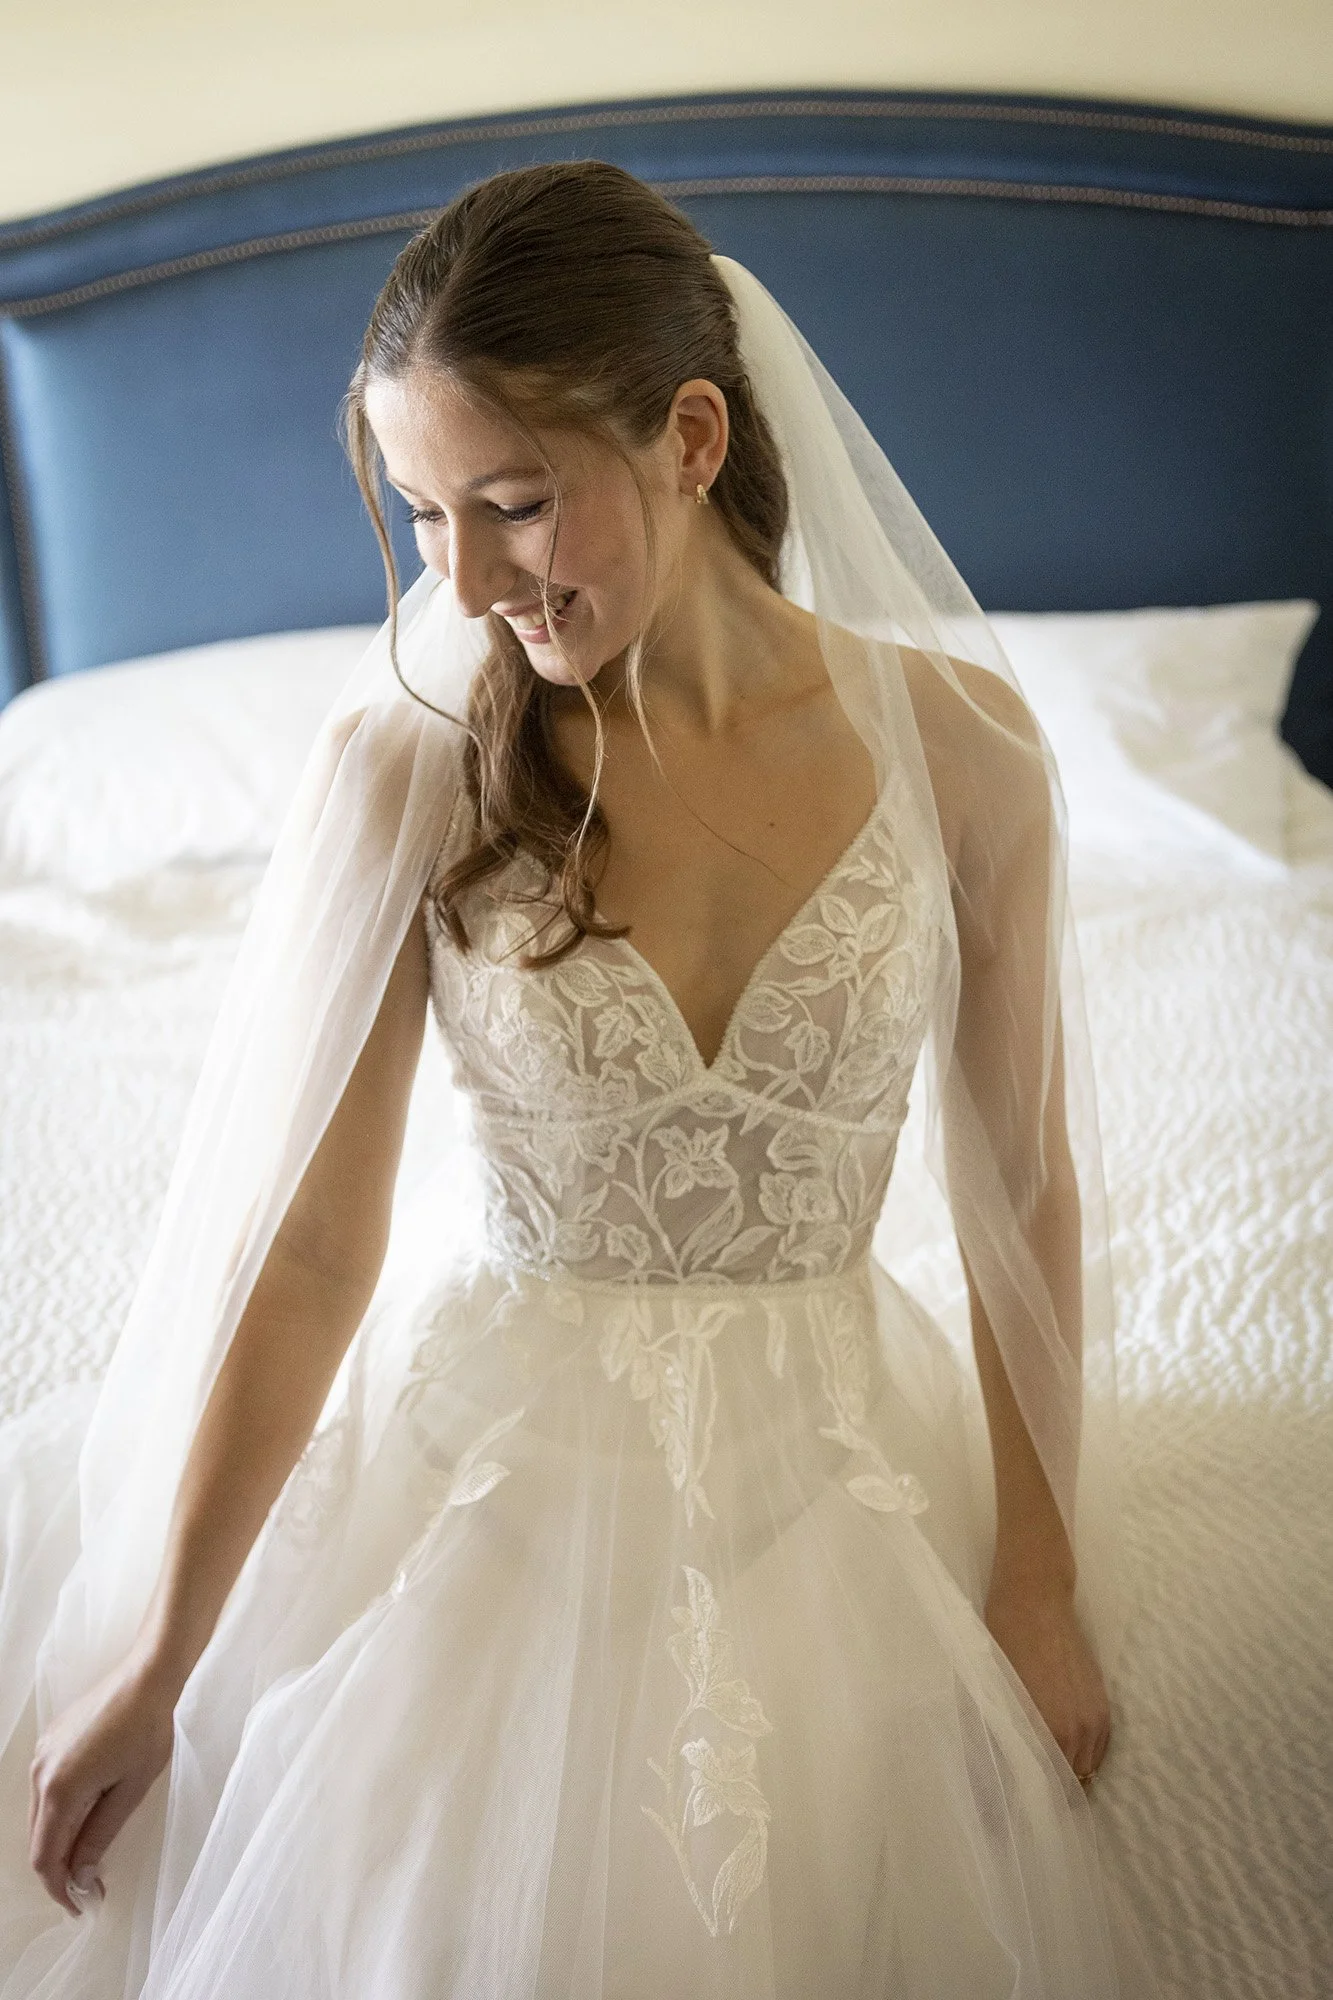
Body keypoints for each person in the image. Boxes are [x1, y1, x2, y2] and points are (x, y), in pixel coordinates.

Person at [0, 161, 1156, 1994]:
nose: (460, 580)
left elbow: (1020, 1187)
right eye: (422, 514)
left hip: (840, 1458)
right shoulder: (408, 774)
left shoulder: (968, 754)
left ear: (694, 437)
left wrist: (1040, 1575)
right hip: (506, 1476)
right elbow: (308, 1258)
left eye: (515, 506)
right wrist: (160, 1659)